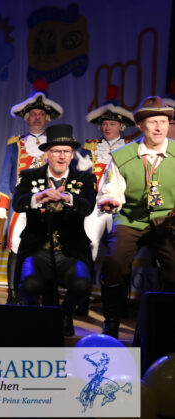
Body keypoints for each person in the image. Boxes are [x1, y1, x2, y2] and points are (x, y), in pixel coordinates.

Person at [98, 96, 175, 338]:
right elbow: (111, 189)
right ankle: (112, 320)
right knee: (115, 262)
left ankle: (166, 323)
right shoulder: (123, 155)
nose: (159, 127)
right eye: (153, 122)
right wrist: (111, 200)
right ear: (141, 126)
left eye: (163, 121)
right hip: (131, 217)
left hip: (167, 220)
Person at [13, 124, 97, 336]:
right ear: (47, 154)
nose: (62, 156)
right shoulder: (29, 175)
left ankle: (65, 312)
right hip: (37, 249)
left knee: (82, 285)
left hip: (71, 251)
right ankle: (36, 315)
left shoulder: (85, 178)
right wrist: (38, 197)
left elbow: (87, 207)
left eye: (66, 151)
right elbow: (17, 204)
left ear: (72, 154)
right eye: (57, 151)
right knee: (29, 285)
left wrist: (68, 198)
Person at [0, 81, 64, 305]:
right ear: (26, 118)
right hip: (22, 205)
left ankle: (47, 295)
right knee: (16, 246)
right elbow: (6, 174)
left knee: (49, 249)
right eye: (33, 114)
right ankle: (13, 293)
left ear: (47, 118)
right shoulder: (15, 144)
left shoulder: (56, 145)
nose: (37, 118)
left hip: (49, 205)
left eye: (41, 114)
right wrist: (2, 204)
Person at [76, 95, 135, 315]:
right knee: (87, 249)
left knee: (120, 254)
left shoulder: (131, 147)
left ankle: (119, 304)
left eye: (112, 123)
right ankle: (82, 300)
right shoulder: (90, 146)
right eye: (105, 123)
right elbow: (80, 178)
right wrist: (82, 171)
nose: (107, 127)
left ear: (121, 126)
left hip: (120, 206)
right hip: (95, 206)